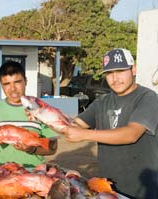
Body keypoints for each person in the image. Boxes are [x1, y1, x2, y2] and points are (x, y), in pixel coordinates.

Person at [58, 48, 158, 199]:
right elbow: (73, 126)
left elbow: (131, 134)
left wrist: (85, 135)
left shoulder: (147, 98)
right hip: (108, 188)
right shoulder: (102, 102)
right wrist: (41, 114)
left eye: (120, 71)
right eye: (109, 73)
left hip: (143, 189)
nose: (115, 78)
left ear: (134, 69)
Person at [0, 61, 58, 168]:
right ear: (1, 85)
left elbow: (53, 148)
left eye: (17, 82)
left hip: (34, 173)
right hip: (3, 173)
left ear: (25, 81)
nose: (13, 88)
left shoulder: (41, 109)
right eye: (7, 84)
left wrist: (31, 149)